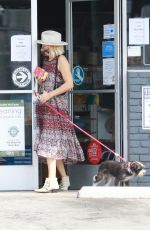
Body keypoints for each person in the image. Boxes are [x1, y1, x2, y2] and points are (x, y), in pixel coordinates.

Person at [34, 30, 85, 192]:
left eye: (43, 44)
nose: (41, 46)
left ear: (50, 45)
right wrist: (40, 81)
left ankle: (51, 182)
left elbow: (69, 84)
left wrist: (49, 94)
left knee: (50, 143)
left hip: (56, 107)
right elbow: (46, 84)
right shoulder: (46, 60)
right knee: (52, 144)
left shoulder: (61, 60)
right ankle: (64, 179)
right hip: (45, 108)